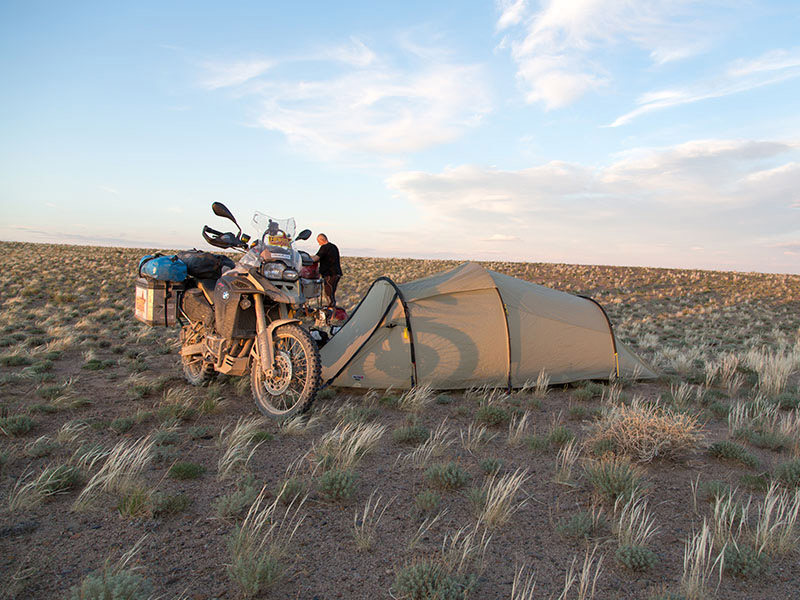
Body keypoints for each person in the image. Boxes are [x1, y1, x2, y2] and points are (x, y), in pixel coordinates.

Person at [312, 233, 342, 307]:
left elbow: (316, 258)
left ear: (322, 240)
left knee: (328, 294)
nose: (319, 244)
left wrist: (307, 260)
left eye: (318, 241)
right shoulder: (334, 247)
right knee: (332, 293)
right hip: (337, 273)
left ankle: (331, 312)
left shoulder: (325, 247)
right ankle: (333, 312)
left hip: (330, 274)